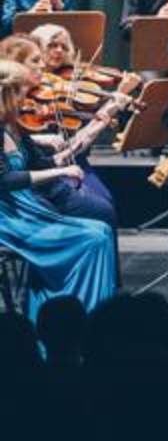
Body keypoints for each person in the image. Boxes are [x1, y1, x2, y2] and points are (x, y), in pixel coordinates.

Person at [0, 59, 115, 322]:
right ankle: (65, 321)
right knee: (93, 239)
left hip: (25, 208)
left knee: (101, 231)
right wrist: (60, 172)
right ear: (6, 94)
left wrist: (94, 127)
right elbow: (5, 180)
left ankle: (87, 319)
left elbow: (44, 163)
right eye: (22, 93)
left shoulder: (13, 127)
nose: (28, 101)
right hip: (8, 217)